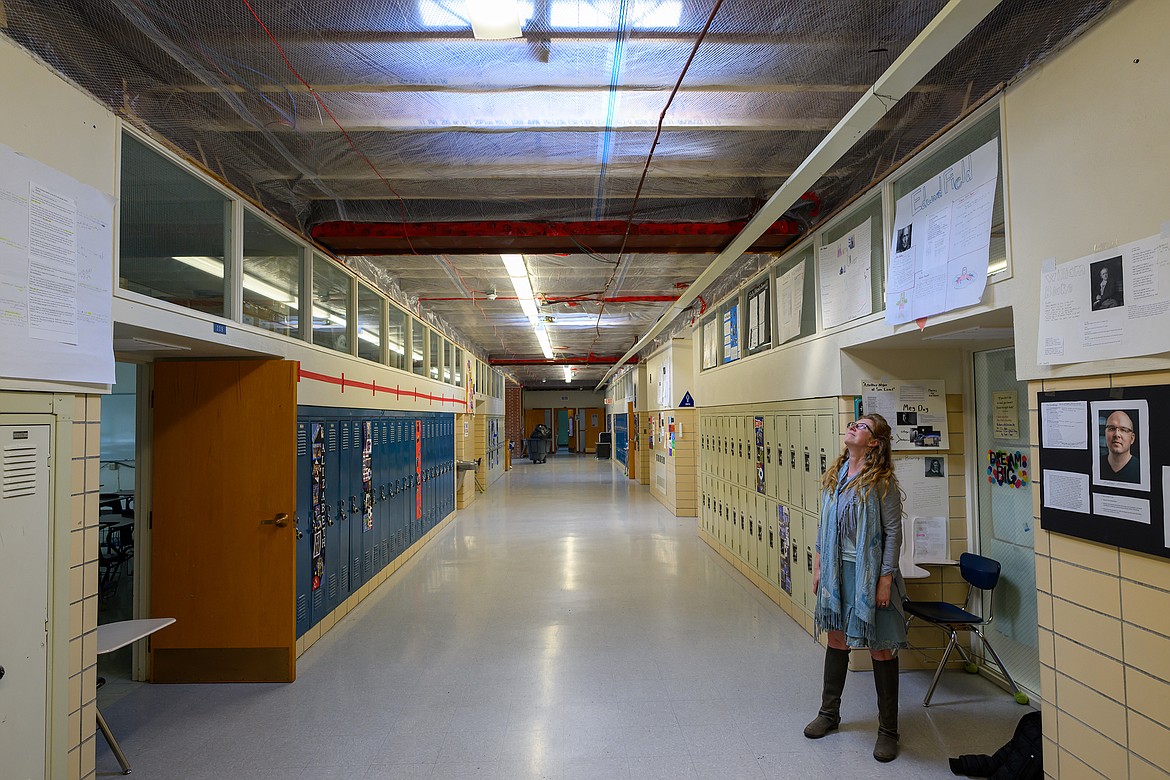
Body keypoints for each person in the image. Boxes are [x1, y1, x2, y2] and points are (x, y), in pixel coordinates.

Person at [805, 413, 907, 763]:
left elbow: (893, 534)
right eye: (855, 424)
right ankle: (829, 714)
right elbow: (824, 525)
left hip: (869, 575)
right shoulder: (836, 476)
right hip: (836, 572)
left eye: (862, 427)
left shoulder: (883, 482)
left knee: (880, 648)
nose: (853, 427)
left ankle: (888, 730)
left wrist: (884, 580)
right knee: (836, 640)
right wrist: (819, 566)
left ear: (874, 442)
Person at [1099, 410, 1139, 483]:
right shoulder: (1097, 465)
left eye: (1123, 430)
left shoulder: (1141, 469)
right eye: (1111, 429)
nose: (1116, 434)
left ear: (1132, 438)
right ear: (1105, 434)